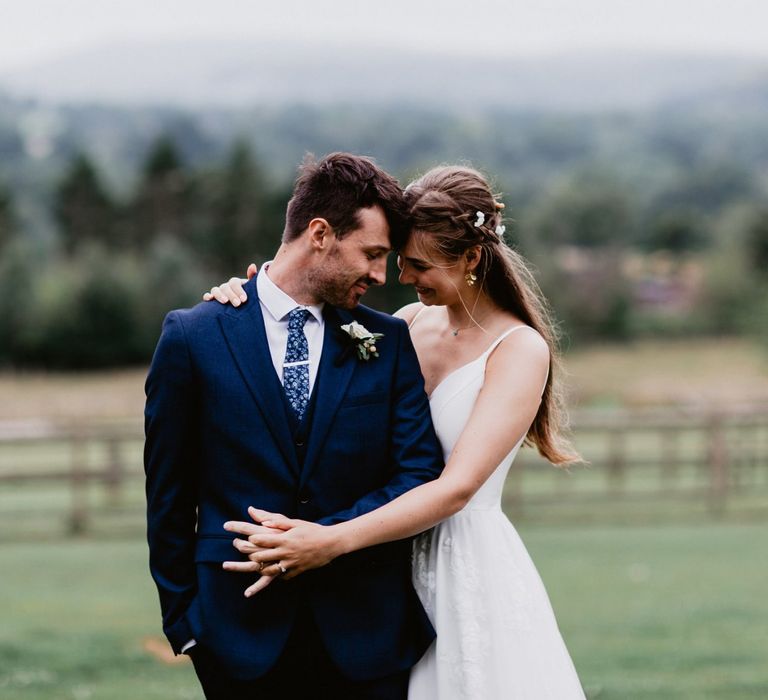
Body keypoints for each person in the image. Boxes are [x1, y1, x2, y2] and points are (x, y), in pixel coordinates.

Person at [206, 165, 586, 698]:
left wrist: (331, 541)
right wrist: (248, 297)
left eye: (420, 265)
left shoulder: (520, 349)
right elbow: (306, 352)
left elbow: (456, 488)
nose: (403, 278)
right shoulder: (406, 324)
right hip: (381, 573)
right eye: (399, 260)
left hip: (463, 566)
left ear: (472, 258)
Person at [144, 152, 445, 699]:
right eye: (372, 254)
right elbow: (168, 494)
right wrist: (186, 627)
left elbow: (420, 470)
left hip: (367, 638)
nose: (381, 276)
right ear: (321, 233)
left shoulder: (388, 340)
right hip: (237, 639)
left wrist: (327, 539)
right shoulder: (193, 337)